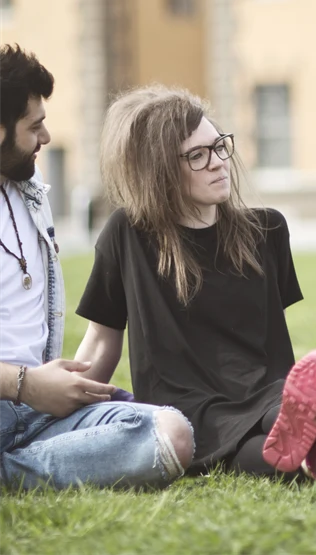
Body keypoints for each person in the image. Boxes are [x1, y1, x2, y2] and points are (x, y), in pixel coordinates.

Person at [73, 85, 316, 488]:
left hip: (270, 393)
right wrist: (69, 413)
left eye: (219, 146)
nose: (218, 163)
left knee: (284, 415)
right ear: (159, 170)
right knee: (240, 443)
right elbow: (102, 340)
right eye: (197, 155)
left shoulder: (268, 230)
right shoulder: (128, 234)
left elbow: (268, 341)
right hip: (185, 407)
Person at [0, 45, 193, 490]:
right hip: (22, 394)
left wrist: (50, 393)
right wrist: (26, 384)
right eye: (35, 126)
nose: (46, 137)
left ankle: (16, 467)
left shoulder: (28, 192)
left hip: (35, 414)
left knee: (172, 433)